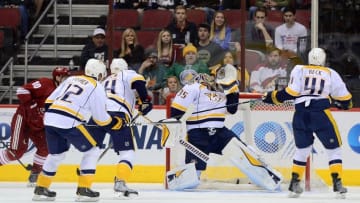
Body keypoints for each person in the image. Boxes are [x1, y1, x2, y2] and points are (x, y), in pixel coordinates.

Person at [262, 48, 352, 198]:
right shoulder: (330, 73)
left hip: (301, 115)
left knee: (302, 150)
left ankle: (294, 183)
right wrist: (344, 104)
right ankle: (337, 182)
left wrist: (271, 97)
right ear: (324, 60)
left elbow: (291, 92)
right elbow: (346, 99)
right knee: (334, 148)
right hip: (320, 114)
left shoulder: (299, 69)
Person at [32, 59, 124, 201]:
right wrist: (113, 123)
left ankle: (41, 188)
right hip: (69, 121)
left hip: (50, 119)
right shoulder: (96, 86)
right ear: (100, 74)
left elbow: (49, 101)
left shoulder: (71, 79)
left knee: (57, 155)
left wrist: (55, 119)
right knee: (92, 150)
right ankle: (84, 189)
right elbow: (100, 118)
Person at [0, 67, 70, 187]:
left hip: (39, 125)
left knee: (46, 148)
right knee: (15, 152)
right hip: (24, 119)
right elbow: (22, 90)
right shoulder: (45, 83)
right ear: (57, 77)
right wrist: (31, 106)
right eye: (65, 77)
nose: (67, 79)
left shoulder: (66, 92)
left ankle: (35, 173)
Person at [101, 58, 153, 198]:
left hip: (98, 115)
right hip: (118, 113)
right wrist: (145, 100)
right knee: (127, 152)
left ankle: (83, 182)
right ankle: (120, 181)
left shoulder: (104, 80)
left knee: (91, 151)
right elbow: (139, 81)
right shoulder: (126, 73)